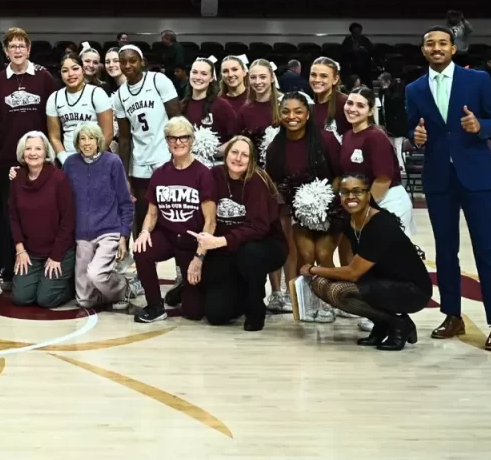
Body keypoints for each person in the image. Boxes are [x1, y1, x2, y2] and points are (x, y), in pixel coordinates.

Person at [405, 26, 491, 351]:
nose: (436, 48)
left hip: (476, 177)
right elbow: (412, 128)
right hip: (439, 178)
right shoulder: (414, 88)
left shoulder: (476, 80)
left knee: (489, 250)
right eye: (430, 44)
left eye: (442, 43)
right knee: (445, 251)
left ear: (453, 48)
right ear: (423, 50)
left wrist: (480, 126)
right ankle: (453, 314)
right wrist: (415, 137)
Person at [303, 172, 433, 351]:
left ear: (368, 195)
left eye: (357, 191)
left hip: (411, 290)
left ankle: (399, 324)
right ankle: (382, 324)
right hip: (381, 281)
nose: (350, 197)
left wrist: (313, 270)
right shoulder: (351, 221)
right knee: (320, 285)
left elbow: (353, 273)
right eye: (345, 192)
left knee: (337, 290)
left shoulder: (380, 224)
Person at [0, 28, 58, 288]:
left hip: (39, 161)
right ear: (6, 50)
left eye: (22, 45)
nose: (18, 50)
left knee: (38, 213)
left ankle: (38, 261)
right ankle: (2, 266)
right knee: (5, 216)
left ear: (29, 49)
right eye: (13, 46)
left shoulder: (45, 79)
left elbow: (53, 119)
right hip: (6, 162)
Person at [191, 135, 285, 330]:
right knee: (216, 314)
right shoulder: (215, 175)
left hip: (265, 246)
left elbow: (258, 228)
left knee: (249, 254)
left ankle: (256, 308)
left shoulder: (256, 180)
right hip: (228, 249)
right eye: (234, 152)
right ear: (226, 154)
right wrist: (200, 256)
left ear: (251, 160)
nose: (238, 158)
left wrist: (221, 241)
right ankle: (239, 293)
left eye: (245, 155)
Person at [263, 92, 343, 321]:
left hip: (329, 209)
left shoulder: (326, 140)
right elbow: (274, 182)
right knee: (306, 255)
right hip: (298, 213)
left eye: (298, 111)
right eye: (286, 111)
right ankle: (311, 302)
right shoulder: (275, 147)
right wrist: (295, 203)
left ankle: (330, 302)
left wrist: (324, 199)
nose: (292, 116)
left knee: (324, 254)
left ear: (307, 114)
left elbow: (339, 175)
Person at [130, 117, 215, 323]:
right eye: (172, 138)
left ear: (191, 140)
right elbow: (152, 213)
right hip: (167, 237)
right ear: (166, 141)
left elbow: (210, 222)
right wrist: (143, 233)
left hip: (192, 241)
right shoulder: (160, 174)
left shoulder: (203, 174)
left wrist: (199, 257)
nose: (178, 142)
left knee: (194, 313)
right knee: (141, 249)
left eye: (183, 137)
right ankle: (155, 306)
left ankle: (185, 286)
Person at [111, 45, 182, 236]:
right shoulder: (119, 96)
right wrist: (125, 174)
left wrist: (180, 157)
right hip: (140, 160)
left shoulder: (158, 80)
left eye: (132, 60)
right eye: (123, 61)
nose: (127, 65)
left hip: (165, 155)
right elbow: (125, 138)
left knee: (172, 209)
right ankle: (143, 254)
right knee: (142, 212)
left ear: (143, 62)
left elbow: (177, 120)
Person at [64, 123, 132, 311]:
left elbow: (126, 202)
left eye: (91, 138)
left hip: (108, 230)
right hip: (82, 234)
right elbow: (58, 193)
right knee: (84, 301)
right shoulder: (70, 164)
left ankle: (122, 286)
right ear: (77, 143)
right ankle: (106, 293)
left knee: (96, 274)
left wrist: (123, 236)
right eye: (82, 139)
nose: (87, 143)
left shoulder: (112, 162)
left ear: (98, 141)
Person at [8, 131, 76, 308]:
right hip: (30, 253)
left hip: (59, 251)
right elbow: (13, 217)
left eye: (38, 148)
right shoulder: (17, 179)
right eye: (28, 149)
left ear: (46, 152)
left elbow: (68, 221)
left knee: (46, 299)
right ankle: (42, 279)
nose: (33, 153)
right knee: (20, 298)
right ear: (22, 153)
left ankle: (71, 285)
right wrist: (20, 249)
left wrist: (56, 256)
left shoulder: (59, 178)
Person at [338, 87, 411, 234]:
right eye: (350, 103)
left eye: (360, 105)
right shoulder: (347, 136)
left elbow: (383, 179)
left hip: (387, 201)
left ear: (371, 111)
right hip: (364, 201)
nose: (352, 108)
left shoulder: (376, 136)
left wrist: (364, 209)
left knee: (390, 254)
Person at [45, 52, 114, 157]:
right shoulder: (54, 98)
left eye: (75, 69)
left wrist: (95, 157)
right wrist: (64, 159)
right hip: (69, 158)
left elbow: (107, 133)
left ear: (83, 70)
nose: (70, 74)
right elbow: (54, 137)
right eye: (65, 71)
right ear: (60, 74)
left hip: (97, 157)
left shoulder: (97, 93)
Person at [181, 57, 239, 148]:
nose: (198, 77)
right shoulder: (182, 105)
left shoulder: (222, 105)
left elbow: (237, 138)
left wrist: (213, 153)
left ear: (211, 78)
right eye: (195, 72)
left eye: (204, 74)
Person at [239, 59, 283, 138]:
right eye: (253, 77)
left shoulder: (285, 103)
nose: (257, 82)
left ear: (272, 78)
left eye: (263, 77)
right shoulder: (245, 110)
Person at [307, 56, 345, 139]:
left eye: (323, 76)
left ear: (335, 79)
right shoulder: (309, 105)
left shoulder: (345, 104)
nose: (317, 80)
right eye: (313, 75)